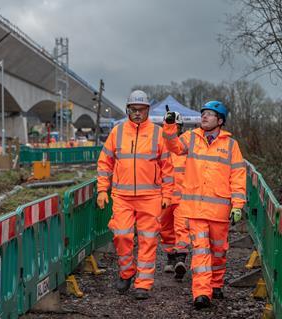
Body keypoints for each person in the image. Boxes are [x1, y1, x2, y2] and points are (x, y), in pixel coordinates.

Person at [163, 101, 246, 309]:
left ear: (220, 121)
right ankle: (201, 293)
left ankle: (216, 284)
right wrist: (170, 126)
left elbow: (238, 176)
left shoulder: (231, 145)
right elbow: (173, 146)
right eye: (203, 114)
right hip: (196, 210)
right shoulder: (191, 138)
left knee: (218, 252)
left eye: (210, 114)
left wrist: (238, 205)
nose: (204, 117)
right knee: (200, 251)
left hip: (219, 211)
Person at [97, 90, 174, 300]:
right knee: (121, 235)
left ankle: (144, 283)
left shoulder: (158, 134)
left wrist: (167, 194)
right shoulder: (117, 132)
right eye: (133, 110)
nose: (137, 113)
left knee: (148, 240)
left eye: (141, 110)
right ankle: (127, 272)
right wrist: (102, 190)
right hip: (122, 196)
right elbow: (105, 163)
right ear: (128, 110)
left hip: (150, 197)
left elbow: (167, 167)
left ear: (148, 110)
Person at [158, 111, 191, 279]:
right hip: (164, 196)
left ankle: (181, 259)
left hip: (183, 197)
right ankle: (170, 259)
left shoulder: (185, 146)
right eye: (171, 125)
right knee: (165, 229)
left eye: (177, 126)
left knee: (182, 228)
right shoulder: (159, 145)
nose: (174, 129)